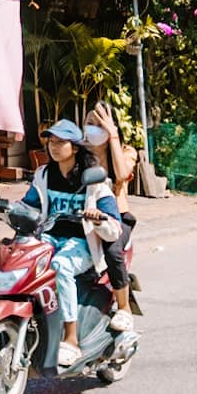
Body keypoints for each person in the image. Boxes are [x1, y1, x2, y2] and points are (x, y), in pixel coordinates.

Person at [20, 119, 125, 368]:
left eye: (61, 142)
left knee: (60, 266)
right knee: (23, 259)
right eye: (51, 141)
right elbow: (29, 204)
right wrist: (4, 205)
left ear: (75, 147)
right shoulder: (44, 174)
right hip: (49, 237)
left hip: (81, 243)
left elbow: (115, 227)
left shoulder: (93, 180)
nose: (54, 147)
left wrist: (98, 219)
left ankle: (71, 339)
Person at [82, 103, 139, 325]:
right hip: (82, 215)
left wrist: (112, 137)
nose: (93, 128)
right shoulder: (79, 152)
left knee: (112, 250)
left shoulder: (126, 152)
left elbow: (123, 174)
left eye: (99, 124)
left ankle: (124, 309)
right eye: (89, 123)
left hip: (116, 218)